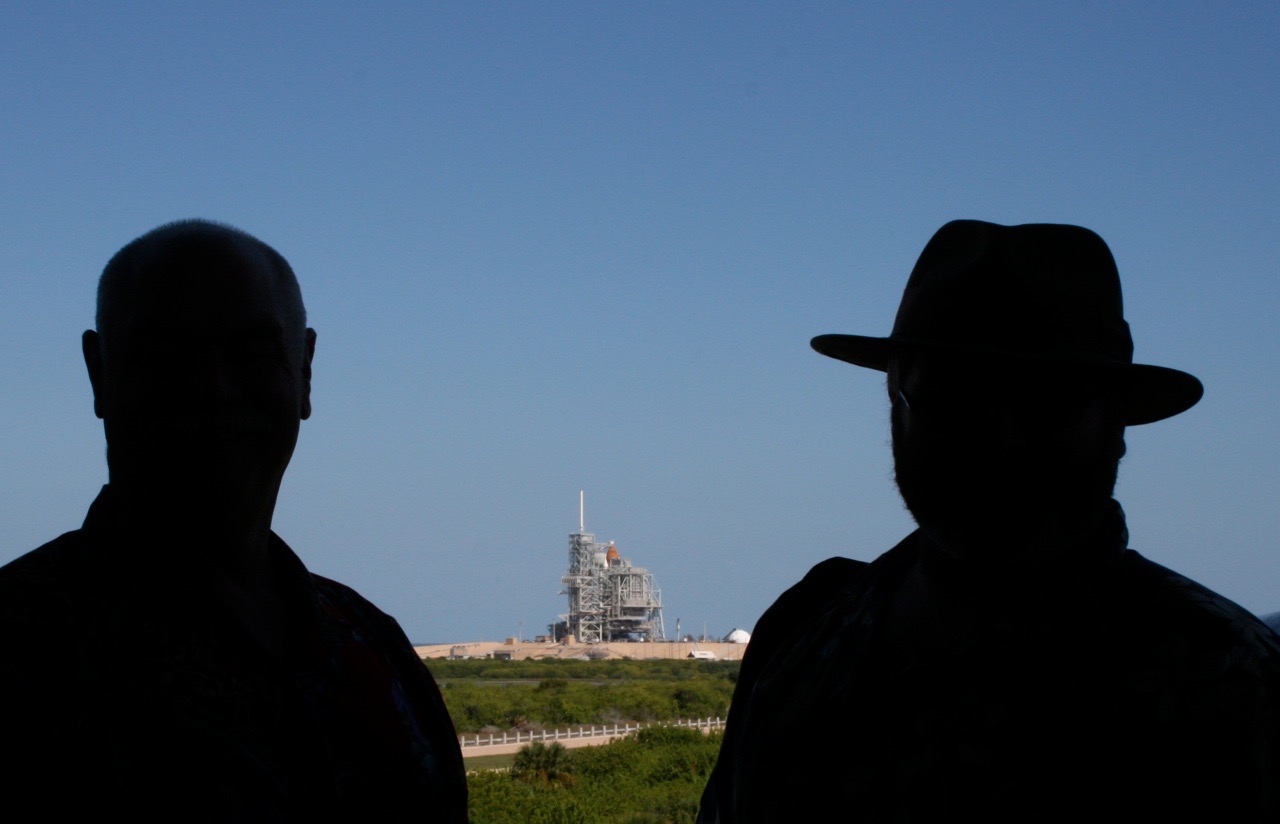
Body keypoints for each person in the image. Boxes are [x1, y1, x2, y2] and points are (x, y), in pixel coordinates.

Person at [700, 220, 1280, 822]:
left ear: (1117, 423)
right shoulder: (799, 630)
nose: (1000, 445)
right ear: (894, 406)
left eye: (1047, 402)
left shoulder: (1230, 684)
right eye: (953, 401)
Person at [0, 221, 467, 820]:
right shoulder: (24, 655)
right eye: (165, 358)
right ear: (99, 372)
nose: (212, 390)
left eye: (250, 354)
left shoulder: (372, 645)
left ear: (304, 371)